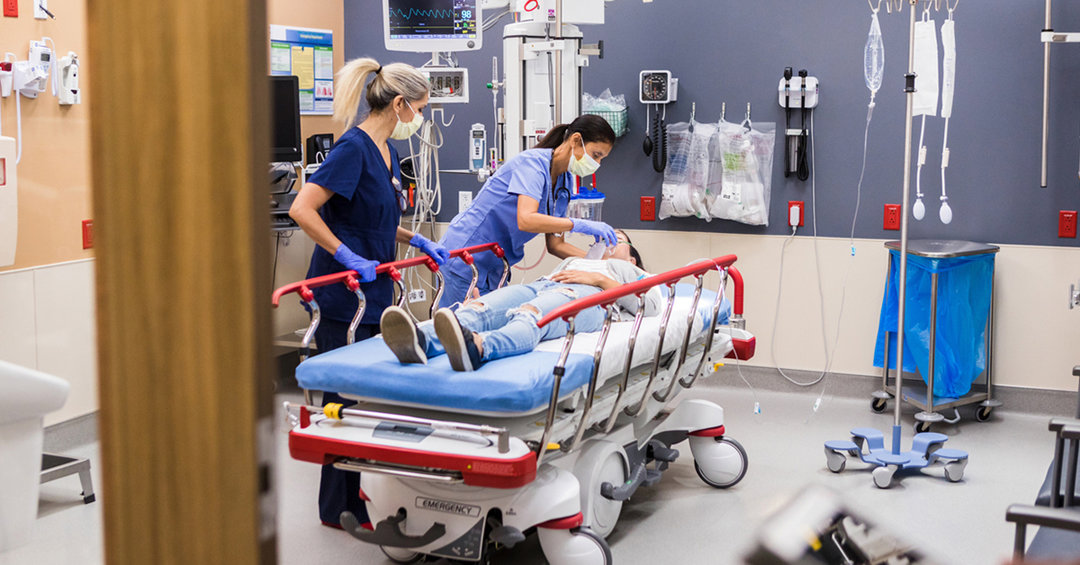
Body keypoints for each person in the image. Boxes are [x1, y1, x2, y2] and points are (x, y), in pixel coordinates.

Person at [287, 57, 449, 529]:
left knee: (364, 402)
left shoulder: (385, 153)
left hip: (373, 293)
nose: (420, 118)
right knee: (341, 403)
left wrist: (415, 239)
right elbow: (302, 208)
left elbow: (371, 216)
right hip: (343, 297)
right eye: (420, 108)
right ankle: (338, 508)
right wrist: (344, 255)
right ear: (399, 104)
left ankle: (362, 497)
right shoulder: (353, 148)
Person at [381, 231, 660, 371]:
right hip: (544, 285)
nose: (608, 240)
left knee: (530, 314)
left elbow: (652, 306)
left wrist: (599, 280)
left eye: (617, 238)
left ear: (632, 258)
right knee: (480, 309)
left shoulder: (630, 271)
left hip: (591, 297)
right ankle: (422, 341)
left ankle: (479, 348)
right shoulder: (576, 261)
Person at [437, 114, 621, 307]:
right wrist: (578, 224)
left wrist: (598, 266)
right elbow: (526, 219)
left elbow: (556, 245)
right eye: (596, 155)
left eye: (601, 159)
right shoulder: (532, 164)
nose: (597, 164)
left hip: (496, 266)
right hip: (465, 258)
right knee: (459, 324)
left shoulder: (564, 182)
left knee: (486, 323)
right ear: (576, 140)